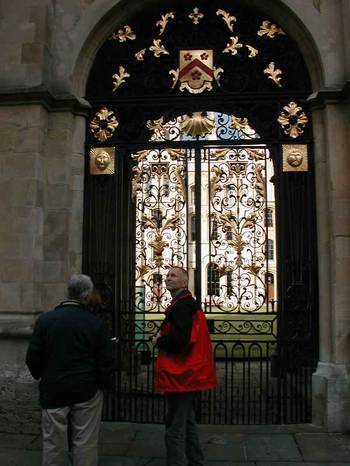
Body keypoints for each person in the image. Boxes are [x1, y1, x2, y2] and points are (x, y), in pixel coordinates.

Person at [26, 274, 114, 466]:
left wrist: (43, 376)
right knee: (85, 442)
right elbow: (106, 359)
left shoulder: (46, 320)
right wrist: (102, 383)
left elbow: (33, 356)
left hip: (54, 387)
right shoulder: (95, 323)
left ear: (68, 292)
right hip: (87, 389)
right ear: (87, 295)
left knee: (53, 443)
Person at [152, 267, 217, 466]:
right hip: (188, 373)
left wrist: (159, 341)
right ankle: (196, 461)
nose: (167, 278)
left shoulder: (181, 306)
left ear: (184, 282)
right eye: (167, 275)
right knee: (187, 421)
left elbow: (181, 339)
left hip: (181, 374)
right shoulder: (185, 303)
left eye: (173, 276)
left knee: (174, 427)